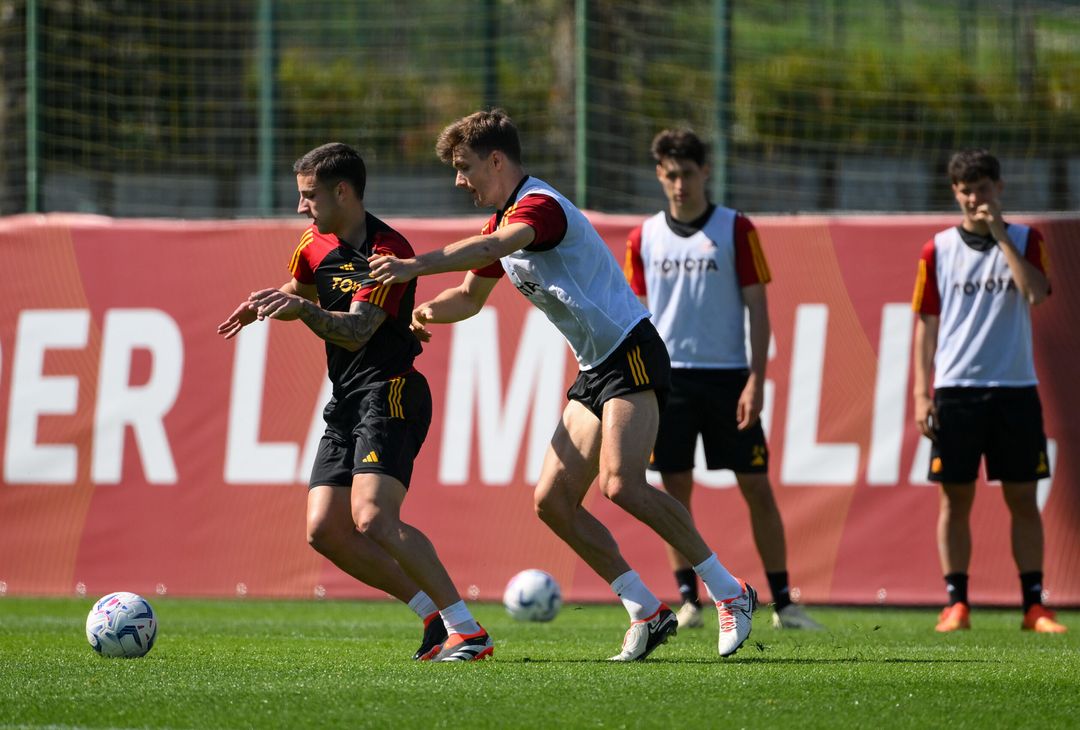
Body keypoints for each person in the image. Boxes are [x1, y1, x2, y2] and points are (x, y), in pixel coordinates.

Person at [370, 109, 757, 661]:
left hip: (631, 351)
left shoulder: (539, 207)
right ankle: (645, 610)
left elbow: (494, 248)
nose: (459, 181)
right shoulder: (498, 225)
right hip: (596, 369)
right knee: (552, 501)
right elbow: (470, 297)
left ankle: (729, 591)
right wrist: (428, 311)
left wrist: (413, 266)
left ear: (497, 160)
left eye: (465, 167)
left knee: (620, 484)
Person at [217, 142, 493, 661]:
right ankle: (433, 618)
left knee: (372, 518)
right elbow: (299, 286)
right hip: (347, 398)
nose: (302, 206)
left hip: (390, 390)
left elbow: (358, 330)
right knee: (325, 530)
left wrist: (299, 309)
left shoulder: (387, 252)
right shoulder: (312, 242)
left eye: (310, 196)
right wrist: (265, 305)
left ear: (342, 191)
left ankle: (469, 630)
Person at [624, 128, 822, 632]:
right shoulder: (643, 237)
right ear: (659, 175)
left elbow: (758, 308)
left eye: (687, 174)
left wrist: (757, 378)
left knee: (756, 485)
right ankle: (690, 599)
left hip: (729, 378)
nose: (679, 185)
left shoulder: (736, 229)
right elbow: (634, 312)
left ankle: (784, 602)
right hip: (666, 380)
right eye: (670, 175)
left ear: (705, 172)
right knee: (673, 490)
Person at [911, 148, 1065, 634]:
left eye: (983, 188)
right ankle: (956, 603)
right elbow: (926, 326)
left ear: (999, 189)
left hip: (1015, 389)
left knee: (1023, 497)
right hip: (956, 390)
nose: (975, 198)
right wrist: (921, 392)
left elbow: (1036, 293)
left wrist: (1000, 236)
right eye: (966, 190)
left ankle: (1033, 606)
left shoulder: (1025, 239)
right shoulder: (937, 249)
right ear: (955, 194)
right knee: (954, 500)